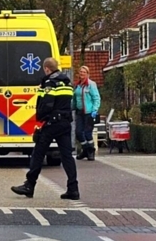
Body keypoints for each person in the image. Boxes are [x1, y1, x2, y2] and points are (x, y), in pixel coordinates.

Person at [11, 57, 79, 200]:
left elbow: (46, 105)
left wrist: (41, 118)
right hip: (65, 123)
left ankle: (29, 185)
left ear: (47, 69)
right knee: (67, 156)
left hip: (52, 123)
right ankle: (73, 189)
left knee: (38, 153)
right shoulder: (67, 82)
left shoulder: (50, 83)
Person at [73, 65, 101, 161]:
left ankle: (91, 152)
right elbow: (74, 99)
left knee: (88, 133)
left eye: (84, 72)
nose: (82, 73)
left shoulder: (91, 84)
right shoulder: (77, 85)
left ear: (88, 74)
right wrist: (70, 107)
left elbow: (96, 98)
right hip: (79, 112)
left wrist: (95, 110)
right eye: (81, 72)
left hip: (89, 112)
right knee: (78, 132)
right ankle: (85, 150)